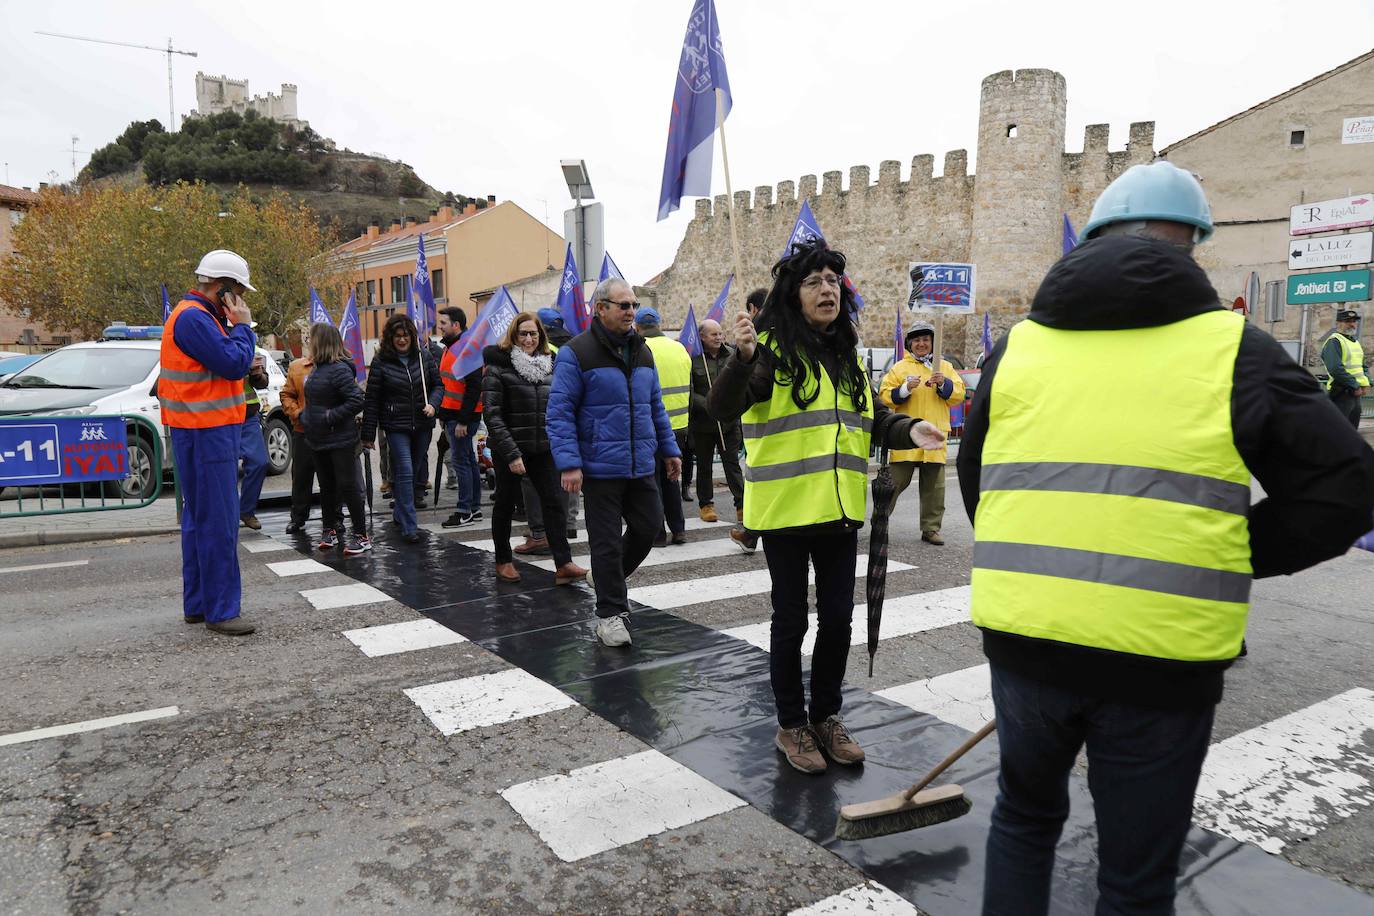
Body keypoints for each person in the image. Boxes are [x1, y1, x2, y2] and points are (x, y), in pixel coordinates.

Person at [958, 160, 1374, 915]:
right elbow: (1348, 483)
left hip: (1025, 640)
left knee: (1022, 821)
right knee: (1134, 878)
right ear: (1190, 246)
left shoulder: (1019, 347)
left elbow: (976, 472)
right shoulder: (1231, 347)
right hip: (1161, 658)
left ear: (1093, 240)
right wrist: (1237, 551)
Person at [708, 241, 945, 774]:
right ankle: (792, 724)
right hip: (787, 512)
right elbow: (724, 408)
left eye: (833, 282)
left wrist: (909, 427)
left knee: (838, 621)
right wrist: (740, 359)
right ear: (793, 295)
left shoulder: (847, 356)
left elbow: (872, 417)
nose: (826, 290)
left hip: (839, 511)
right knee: (791, 622)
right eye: (814, 281)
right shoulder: (767, 350)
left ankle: (827, 717)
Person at [548, 277, 682, 648]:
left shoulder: (643, 352)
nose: (630, 311)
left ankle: (606, 577)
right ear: (600, 308)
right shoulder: (576, 353)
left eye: (634, 305)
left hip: (641, 463)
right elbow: (559, 412)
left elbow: (655, 405)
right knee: (605, 544)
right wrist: (570, 463)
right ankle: (610, 614)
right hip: (599, 466)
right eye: (623, 305)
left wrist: (669, 449)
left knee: (650, 526)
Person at [160, 249, 260, 636]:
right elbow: (233, 364)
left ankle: (199, 605)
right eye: (237, 291)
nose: (241, 300)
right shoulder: (197, 318)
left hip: (197, 428)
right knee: (218, 522)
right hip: (208, 430)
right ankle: (222, 610)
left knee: (198, 520)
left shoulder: (193, 316)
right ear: (223, 289)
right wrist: (244, 328)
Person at [481, 312, 588, 585]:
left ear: (541, 337)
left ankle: (563, 563)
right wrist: (512, 454)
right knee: (505, 504)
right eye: (523, 334)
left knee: (554, 504)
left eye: (533, 334)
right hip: (510, 449)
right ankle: (503, 560)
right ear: (514, 336)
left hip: (544, 448)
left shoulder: (550, 365)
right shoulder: (498, 367)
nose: (528, 339)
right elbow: (492, 415)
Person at [878, 322, 965, 546]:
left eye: (926, 339)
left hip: (935, 435)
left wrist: (943, 384)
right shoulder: (899, 368)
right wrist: (905, 389)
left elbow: (958, 394)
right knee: (896, 481)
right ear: (910, 344)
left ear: (932, 344)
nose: (921, 344)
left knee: (934, 488)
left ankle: (931, 528)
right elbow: (885, 395)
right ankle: (880, 520)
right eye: (916, 340)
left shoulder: (944, 367)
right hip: (905, 436)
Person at [362, 314, 439, 543]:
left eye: (406, 336)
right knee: (405, 470)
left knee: (413, 472)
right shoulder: (381, 362)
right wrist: (368, 435)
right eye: (397, 336)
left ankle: (399, 513)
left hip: (423, 424)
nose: (402, 340)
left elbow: (438, 385)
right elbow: (372, 398)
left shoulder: (423, 357)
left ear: (412, 336)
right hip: (396, 426)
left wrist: (433, 405)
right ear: (390, 338)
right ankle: (409, 525)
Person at [301, 323, 369, 555]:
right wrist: (306, 416)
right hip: (318, 439)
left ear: (321, 341)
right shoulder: (317, 369)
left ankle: (361, 534)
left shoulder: (338, 369)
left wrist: (331, 416)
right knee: (327, 487)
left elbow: (357, 400)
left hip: (339, 439)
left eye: (311, 338)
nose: (308, 342)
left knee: (348, 486)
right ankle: (329, 529)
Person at [689, 318, 749, 547]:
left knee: (732, 464)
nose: (719, 337)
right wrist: (709, 404)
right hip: (704, 424)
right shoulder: (693, 359)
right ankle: (706, 505)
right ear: (702, 337)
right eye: (713, 334)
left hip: (728, 422)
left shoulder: (732, 354)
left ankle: (742, 505)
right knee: (704, 466)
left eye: (721, 333)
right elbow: (690, 391)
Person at [637, 306, 692, 547]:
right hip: (680, 425)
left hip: (652, 426)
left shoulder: (641, 349)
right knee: (672, 479)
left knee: (653, 483)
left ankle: (657, 533)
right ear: (659, 324)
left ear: (638, 327)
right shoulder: (679, 348)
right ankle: (678, 529)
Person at [436, 306, 486, 528]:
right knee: (467, 460)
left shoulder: (465, 348)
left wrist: (463, 421)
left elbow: (474, 387)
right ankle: (473, 509)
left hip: (461, 417)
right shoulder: (455, 346)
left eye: (444, 323)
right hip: (456, 415)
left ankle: (464, 510)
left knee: (461, 462)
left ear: (456, 325)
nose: (440, 327)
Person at [280, 345, 316, 535]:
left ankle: (335, 519)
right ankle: (298, 517)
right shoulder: (297, 367)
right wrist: (297, 413)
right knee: (301, 476)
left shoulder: (338, 366)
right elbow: (286, 395)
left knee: (331, 478)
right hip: (303, 430)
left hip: (329, 431)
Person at [236, 353, 271, 530]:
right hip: (223, 417)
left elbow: (263, 383)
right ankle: (229, 513)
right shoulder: (217, 340)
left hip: (248, 417)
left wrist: (257, 373)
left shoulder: (249, 347)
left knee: (259, 463)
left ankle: (246, 511)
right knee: (225, 469)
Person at [1321, 309, 1369, 428]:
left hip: (1355, 394)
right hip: (1341, 392)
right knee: (1338, 431)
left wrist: (1368, 382)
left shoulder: (1355, 342)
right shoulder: (1334, 341)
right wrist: (1355, 385)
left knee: (1352, 431)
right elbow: (1335, 369)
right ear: (1338, 323)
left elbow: (1363, 366)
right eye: (1347, 321)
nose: (1352, 324)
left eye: (1354, 321)